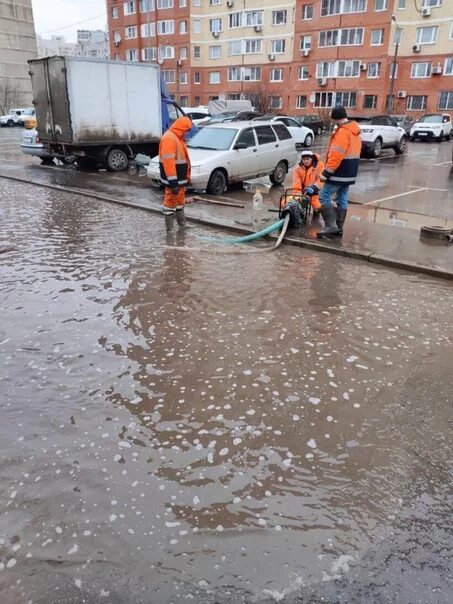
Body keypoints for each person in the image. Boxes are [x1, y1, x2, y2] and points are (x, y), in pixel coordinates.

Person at [317, 106, 361, 238]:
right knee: (342, 197)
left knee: (324, 196)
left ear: (336, 119)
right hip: (350, 171)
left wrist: (326, 172)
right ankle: (339, 227)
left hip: (339, 171)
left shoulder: (343, 132)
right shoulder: (354, 130)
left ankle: (331, 226)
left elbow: (336, 155)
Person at [159, 115, 193, 232]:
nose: (187, 134)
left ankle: (181, 226)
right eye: (186, 131)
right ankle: (169, 231)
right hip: (174, 181)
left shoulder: (177, 138)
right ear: (182, 128)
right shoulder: (169, 139)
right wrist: (173, 183)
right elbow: (169, 163)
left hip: (179, 180)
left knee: (179, 203)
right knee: (169, 204)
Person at [291, 150, 324, 215]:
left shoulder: (319, 166)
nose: (305, 161)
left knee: (317, 207)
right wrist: (298, 194)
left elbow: (321, 179)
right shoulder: (298, 168)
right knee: (290, 202)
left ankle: (316, 212)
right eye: (303, 159)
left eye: (307, 159)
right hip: (302, 190)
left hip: (314, 190)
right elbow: (296, 182)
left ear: (311, 159)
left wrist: (314, 187)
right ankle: (301, 213)